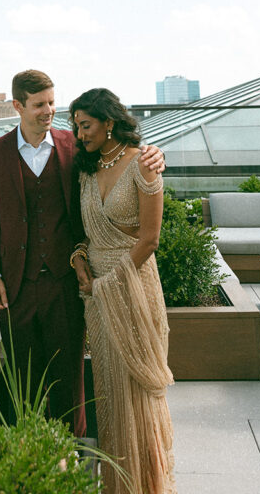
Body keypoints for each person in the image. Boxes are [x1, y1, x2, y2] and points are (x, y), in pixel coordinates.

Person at [0, 69, 165, 437]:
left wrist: (155, 154)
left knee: (70, 382)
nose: (48, 110)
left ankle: (74, 459)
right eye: (39, 105)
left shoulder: (76, 146)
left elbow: (122, 160)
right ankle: (31, 460)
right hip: (15, 286)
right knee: (24, 381)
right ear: (18, 105)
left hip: (67, 284)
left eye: (52, 102)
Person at [71, 87, 176, 494]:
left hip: (131, 291)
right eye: (76, 127)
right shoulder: (85, 169)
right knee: (110, 394)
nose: (80, 134)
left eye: (86, 125)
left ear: (109, 122)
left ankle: (147, 487)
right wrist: (79, 259)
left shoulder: (143, 165)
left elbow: (149, 240)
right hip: (96, 298)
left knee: (136, 393)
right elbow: (84, 233)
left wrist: (107, 285)